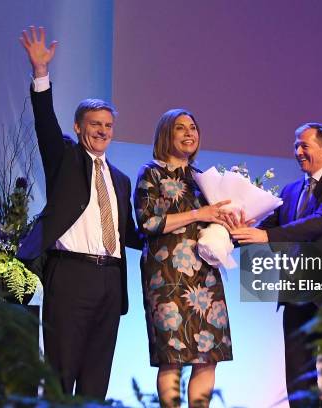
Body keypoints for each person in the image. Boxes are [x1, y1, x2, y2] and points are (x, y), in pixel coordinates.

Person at [16, 26, 142, 400]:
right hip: (70, 275)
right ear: (78, 127)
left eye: (107, 126)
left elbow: (130, 233)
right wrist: (41, 73)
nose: (102, 131)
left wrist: (179, 230)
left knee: (95, 377)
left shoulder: (120, 179)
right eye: (95, 124)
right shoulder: (66, 160)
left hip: (110, 281)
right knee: (61, 371)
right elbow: (44, 125)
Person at [231, 123, 322, 401]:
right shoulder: (289, 191)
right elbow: (265, 227)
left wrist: (265, 234)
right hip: (297, 294)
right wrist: (226, 233)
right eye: (295, 145)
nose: (298, 151)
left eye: (305, 145)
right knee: (299, 376)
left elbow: (319, 222)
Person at [134, 109, 233, 407]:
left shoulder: (204, 180)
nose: (190, 133)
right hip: (166, 278)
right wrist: (197, 214)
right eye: (181, 128)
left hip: (206, 277)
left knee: (207, 358)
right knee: (172, 358)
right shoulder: (151, 172)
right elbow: (148, 223)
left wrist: (233, 224)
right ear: (167, 134)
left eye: (193, 127)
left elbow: (215, 226)